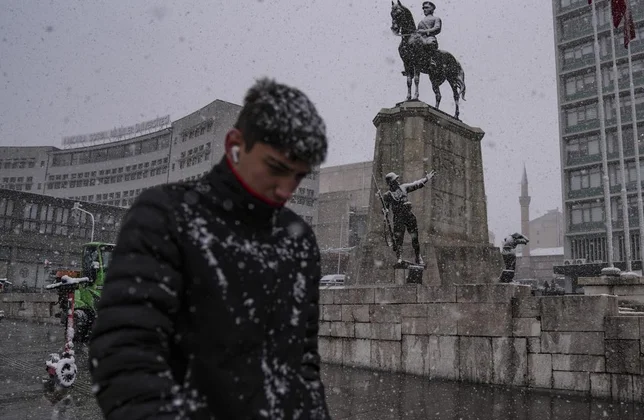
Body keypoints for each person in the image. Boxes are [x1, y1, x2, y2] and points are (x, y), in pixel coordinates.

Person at [89, 78, 331, 419]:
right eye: (276, 168)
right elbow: (125, 353)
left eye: (298, 176)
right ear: (235, 144)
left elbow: (303, 363)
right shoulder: (165, 217)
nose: (285, 189)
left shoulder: (298, 240)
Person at [383, 170, 435, 266]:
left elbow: (415, 184)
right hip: (398, 218)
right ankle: (399, 258)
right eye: (395, 180)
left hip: (409, 215)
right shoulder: (387, 195)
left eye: (397, 179)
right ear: (391, 183)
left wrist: (426, 179)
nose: (397, 181)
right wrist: (385, 211)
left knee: (415, 238)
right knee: (399, 239)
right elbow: (385, 208)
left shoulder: (404, 187)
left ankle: (418, 257)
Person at [417, 1, 442, 68]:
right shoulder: (421, 22)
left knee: (429, 43)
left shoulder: (436, 19)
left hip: (429, 38)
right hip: (421, 39)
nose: (424, 9)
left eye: (427, 8)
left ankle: (432, 60)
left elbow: (437, 29)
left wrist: (425, 31)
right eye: (423, 8)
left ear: (432, 9)